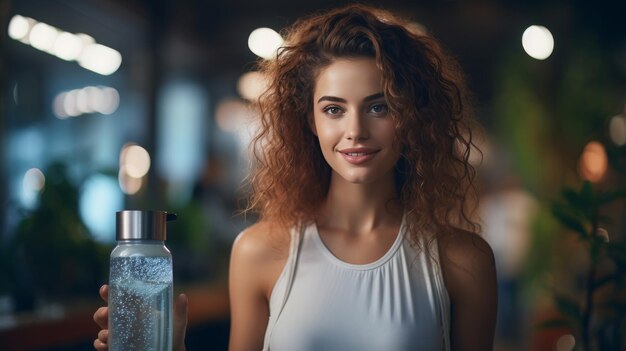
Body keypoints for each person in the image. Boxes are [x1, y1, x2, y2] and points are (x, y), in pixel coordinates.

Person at [94, 4, 497, 350]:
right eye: (334, 109)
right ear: (310, 120)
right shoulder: (259, 251)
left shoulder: (463, 262)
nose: (355, 130)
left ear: (410, 117)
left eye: (378, 107)